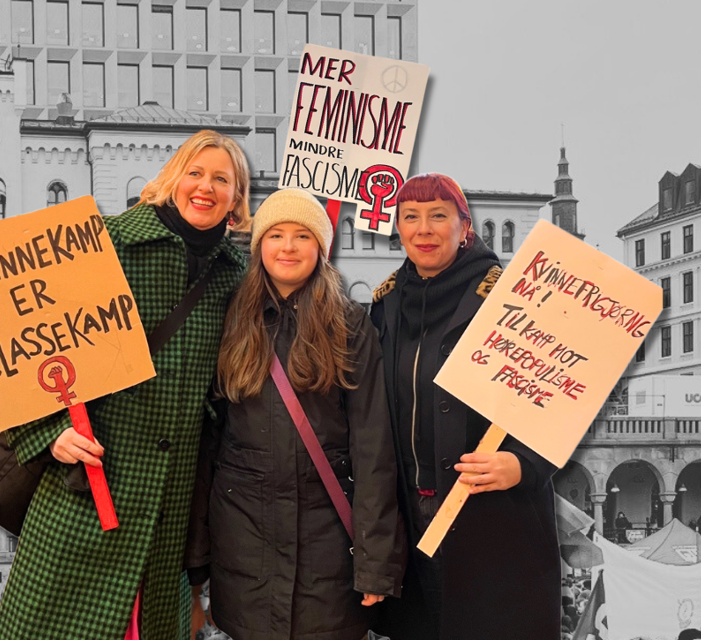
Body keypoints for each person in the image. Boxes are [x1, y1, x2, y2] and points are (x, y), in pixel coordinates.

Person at [0, 129, 251, 640]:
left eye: (222, 179)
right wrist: (49, 433)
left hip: (167, 508)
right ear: (171, 180)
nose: (206, 187)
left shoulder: (235, 275)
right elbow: (14, 345)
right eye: (194, 173)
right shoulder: (103, 242)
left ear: (236, 201)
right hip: (86, 489)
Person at [197, 189, 404, 640]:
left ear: (321, 248)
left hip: (327, 551)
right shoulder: (230, 318)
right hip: (244, 547)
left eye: (302, 236)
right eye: (275, 234)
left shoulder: (349, 324)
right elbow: (207, 441)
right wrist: (197, 552)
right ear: (259, 246)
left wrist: (375, 563)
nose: (288, 247)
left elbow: (373, 447)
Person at [370, 173, 559, 639]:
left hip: (493, 518)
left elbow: (559, 395)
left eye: (438, 215)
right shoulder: (386, 303)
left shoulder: (510, 296)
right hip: (412, 522)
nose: (424, 229)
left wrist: (525, 463)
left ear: (464, 226)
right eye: (410, 217)